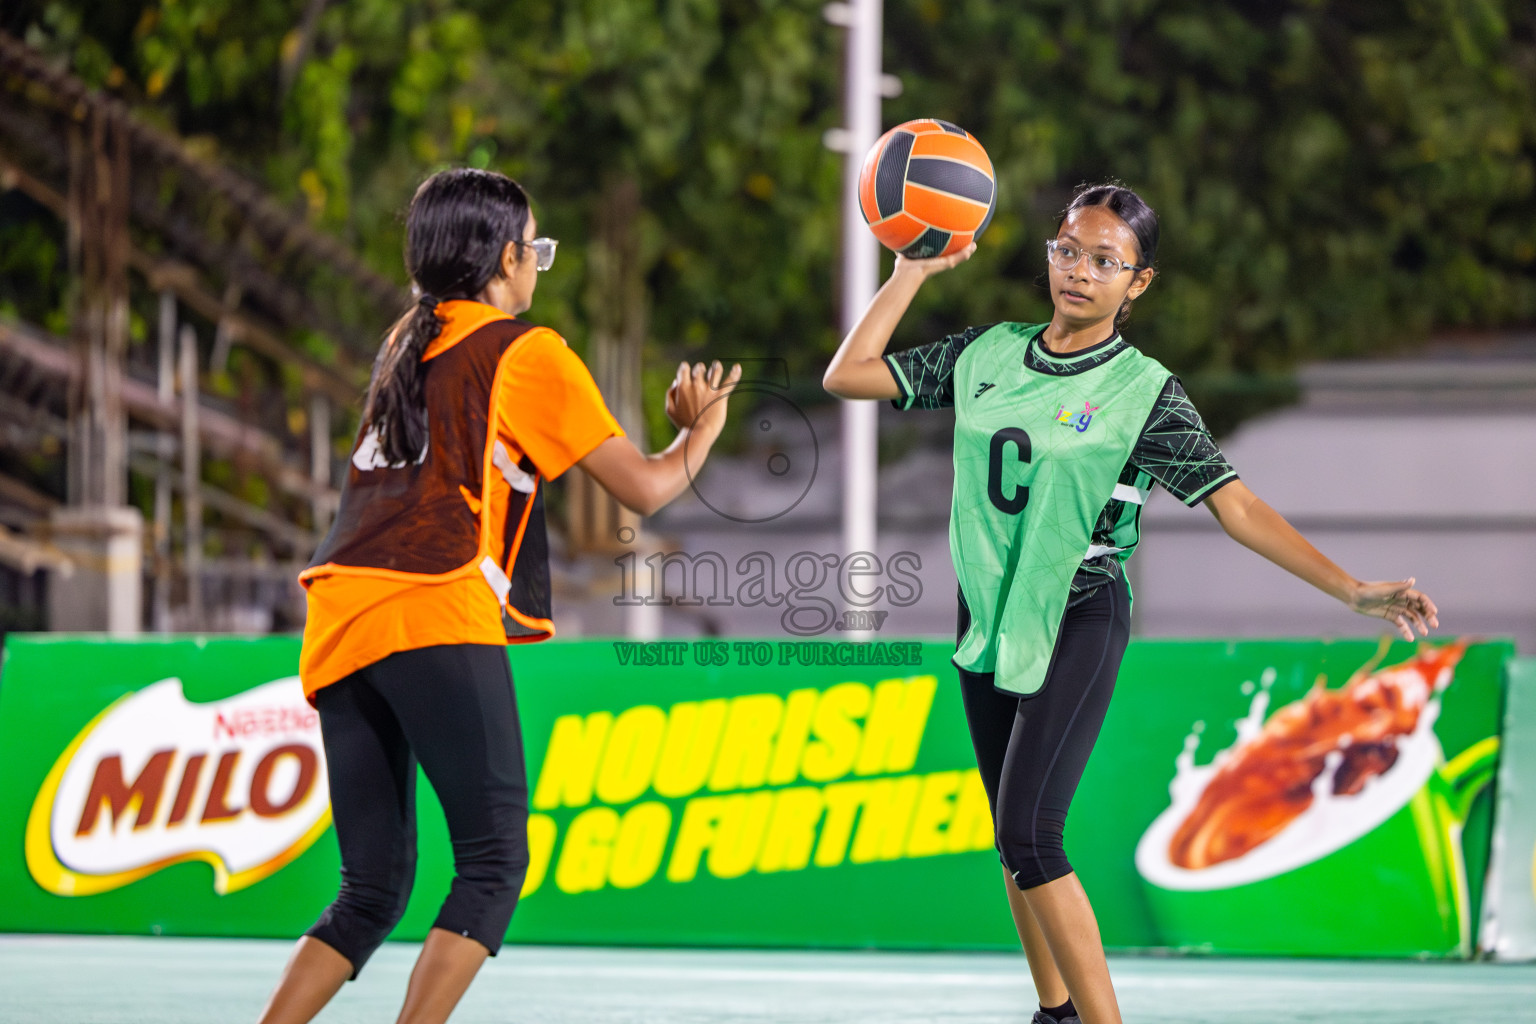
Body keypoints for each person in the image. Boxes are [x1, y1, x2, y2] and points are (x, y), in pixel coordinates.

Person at [822, 183, 1438, 1024]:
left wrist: (1353, 589)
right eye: (1067, 250)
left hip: (1078, 611)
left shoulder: (1145, 392)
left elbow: (1240, 507)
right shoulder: (987, 355)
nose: (1079, 271)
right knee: (1011, 841)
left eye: (1104, 261)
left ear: (1137, 283)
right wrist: (911, 272)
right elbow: (847, 375)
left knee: (1035, 835)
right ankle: (1056, 1012)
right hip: (987, 614)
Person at [256, 167, 740, 1024]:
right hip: (432, 607)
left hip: (337, 616)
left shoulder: (407, 338)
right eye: (538, 249)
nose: (539, 267)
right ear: (506, 256)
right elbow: (647, 490)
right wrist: (699, 431)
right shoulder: (524, 350)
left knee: (369, 891)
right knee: (490, 864)